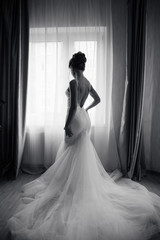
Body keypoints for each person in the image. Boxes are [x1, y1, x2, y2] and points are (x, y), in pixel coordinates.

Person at [8, 52, 160, 240]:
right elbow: (98, 99)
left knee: (70, 149)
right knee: (80, 151)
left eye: (71, 69)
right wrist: (86, 109)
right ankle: (78, 184)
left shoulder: (74, 82)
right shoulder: (87, 82)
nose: (71, 72)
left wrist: (66, 125)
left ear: (73, 67)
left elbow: (72, 107)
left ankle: (70, 185)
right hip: (84, 119)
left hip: (74, 118)